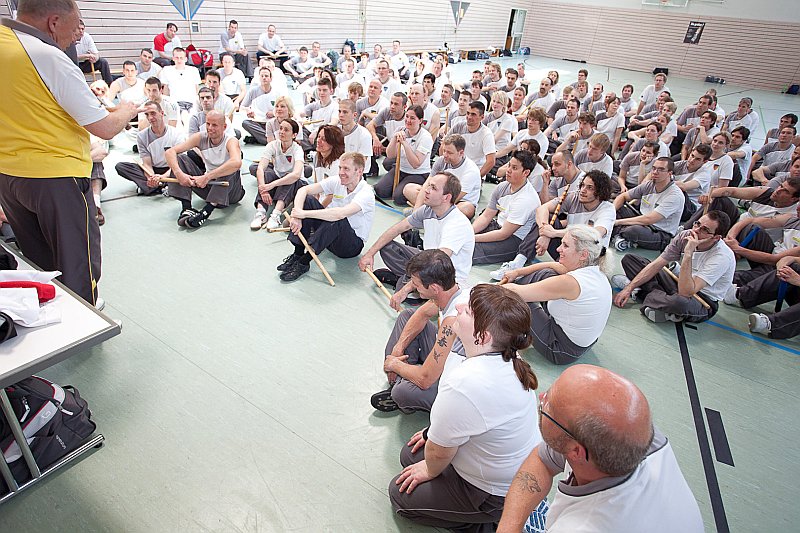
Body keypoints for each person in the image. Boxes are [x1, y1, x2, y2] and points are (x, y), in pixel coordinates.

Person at [0, 0, 139, 306]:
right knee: (78, 262)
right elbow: (105, 127)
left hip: (9, 176)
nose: (78, 36)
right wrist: (127, 111)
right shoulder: (47, 56)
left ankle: (52, 308)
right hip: (56, 177)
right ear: (53, 22)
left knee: (39, 258)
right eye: (76, 27)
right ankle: (86, 315)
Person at [389, 283, 540, 531]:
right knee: (410, 455)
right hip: (510, 468)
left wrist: (430, 469)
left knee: (400, 495)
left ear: (483, 336)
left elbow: (439, 454)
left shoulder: (465, 383)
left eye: (468, 310)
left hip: (494, 493)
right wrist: (432, 438)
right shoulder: (508, 356)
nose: (458, 307)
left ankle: (482, 523)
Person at [497, 365, 703, 533]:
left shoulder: (583, 527)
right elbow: (542, 460)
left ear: (576, 452)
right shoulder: (635, 436)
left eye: (548, 405)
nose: (542, 397)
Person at [370, 250, 468, 413]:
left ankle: (402, 386)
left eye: (417, 284)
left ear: (434, 288)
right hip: (446, 358)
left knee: (402, 392)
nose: (414, 288)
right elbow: (421, 314)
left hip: (457, 382)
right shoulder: (455, 290)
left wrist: (395, 364)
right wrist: (398, 348)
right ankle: (406, 377)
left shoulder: (453, 320)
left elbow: (425, 379)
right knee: (408, 315)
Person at [502, 224, 612, 364]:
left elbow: (516, 293)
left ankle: (496, 319)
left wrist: (486, 288)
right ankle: (509, 293)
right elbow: (552, 265)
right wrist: (517, 272)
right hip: (581, 344)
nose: (558, 249)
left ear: (583, 254)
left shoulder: (571, 282)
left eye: (565, 246)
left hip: (559, 349)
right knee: (547, 274)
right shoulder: (594, 271)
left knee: (516, 300)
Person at [360, 172, 475, 302]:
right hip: (428, 259)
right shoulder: (428, 210)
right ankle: (413, 283)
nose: (426, 190)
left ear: (446, 197)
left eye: (433, 188)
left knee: (404, 292)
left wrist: (404, 290)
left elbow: (437, 265)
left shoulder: (456, 224)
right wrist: (369, 254)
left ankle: (411, 284)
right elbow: (397, 228)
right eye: (429, 185)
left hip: (445, 277)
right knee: (387, 246)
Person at [613, 211, 735, 323]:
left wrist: (688, 253)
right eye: (697, 224)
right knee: (630, 260)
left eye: (704, 230)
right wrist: (629, 288)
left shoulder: (722, 257)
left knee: (679, 302)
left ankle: (643, 293)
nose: (696, 230)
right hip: (678, 282)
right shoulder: (685, 235)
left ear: (716, 237)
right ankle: (648, 296)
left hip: (701, 299)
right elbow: (657, 264)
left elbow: (686, 292)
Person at [492, 170, 615, 280]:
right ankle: (517, 263)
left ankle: (526, 275)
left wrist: (554, 233)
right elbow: (542, 209)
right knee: (548, 219)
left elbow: (595, 234)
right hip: (567, 249)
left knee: (548, 275)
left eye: (590, 188)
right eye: (582, 185)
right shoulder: (574, 197)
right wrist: (545, 232)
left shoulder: (607, 209)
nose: (583, 190)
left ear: (600, 191)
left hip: (586, 259)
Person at [277, 152, 374, 282]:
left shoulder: (366, 193)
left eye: (346, 169)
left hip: (350, 246)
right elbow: (303, 190)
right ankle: (298, 254)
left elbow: (340, 214)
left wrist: (304, 214)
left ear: (359, 171)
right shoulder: (338, 181)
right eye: (340, 167)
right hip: (330, 236)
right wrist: (297, 215)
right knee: (308, 200)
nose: (341, 172)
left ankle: (303, 262)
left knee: (336, 218)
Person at [164, 111, 245, 228]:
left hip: (230, 193)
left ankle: (206, 212)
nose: (210, 128)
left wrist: (206, 177)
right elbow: (170, 152)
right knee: (181, 159)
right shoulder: (200, 137)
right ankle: (186, 208)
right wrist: (179, 174)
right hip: (209, 188)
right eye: (208, 124)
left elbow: (237, 162)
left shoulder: (231, 141)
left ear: (224, 127)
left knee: (230, 168)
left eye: (214, 125)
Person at [472, 151, 540, 265]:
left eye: (514, 168)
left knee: (469, 250)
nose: (508, 170)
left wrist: (473, 238)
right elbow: (486, 216)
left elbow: (504, 234)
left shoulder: (526, 199)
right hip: (497, 226)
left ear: (526, 172)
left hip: (513, 239)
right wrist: (469, 232)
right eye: (509, 165)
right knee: (458, 236)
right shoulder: (502, 187)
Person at [612, 157, 685, 252]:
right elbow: (623, 196)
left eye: (661, 169)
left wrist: (617, 222)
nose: (655, 172)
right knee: (615, 208)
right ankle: (621, 236)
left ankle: (617, 233)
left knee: (633, 231)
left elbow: (649, 219)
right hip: (641, 218)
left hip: (659, 232)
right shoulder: (649, 185)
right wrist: (610, 213)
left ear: (670, 173)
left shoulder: (675, 195)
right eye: (654, 168)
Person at [115, 100, 186, 196]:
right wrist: (152, 177)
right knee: (121, 166)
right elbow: (147, 164)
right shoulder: (141, 136)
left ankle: (151, 186)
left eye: (153, 113)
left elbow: (178, 163)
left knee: (185, 166)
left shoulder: (176, 134)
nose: (150, 118)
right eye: (147, 115)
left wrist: (162, 177)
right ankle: (159, 185)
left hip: (172, 169)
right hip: (153, 169)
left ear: (162, 114)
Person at [248, 119, 305, 230]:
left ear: (294, 135)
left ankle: (276, 215)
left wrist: (271, 185)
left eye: (286, 130)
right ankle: (261, 212)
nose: (281, 132)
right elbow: (260, 168)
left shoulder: (297, 149)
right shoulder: (273, 145)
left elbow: (296, 174)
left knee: (290, 178)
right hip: (278, 179)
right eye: (281, 128)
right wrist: (263, 189)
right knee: (266, 174)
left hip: (295, 183)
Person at [408, 134, 481, 219]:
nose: (445, 155)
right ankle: (427, 213)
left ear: (461, 153)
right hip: (439, 195)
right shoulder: (441, 161)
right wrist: (415, 214)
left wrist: (431, 202)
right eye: (444, 151)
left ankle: (427, 212)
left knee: (467, 208)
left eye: (449, 152)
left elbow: (455, 198)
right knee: (409, 189)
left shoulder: (471, 170)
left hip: (458, 201)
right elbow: (427, 184)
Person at [374, 105, 434, 205]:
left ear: (420, 120)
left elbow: (416, 164)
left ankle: (418, 190)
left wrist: (405, 144)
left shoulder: (425, 137)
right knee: (380, 190)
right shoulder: (400, 129)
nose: (408, 120)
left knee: (398, 197)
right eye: (407, 116)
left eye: (412, 118)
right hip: (400, 169)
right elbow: (390, 155)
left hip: (418, 173)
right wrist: (394, 139)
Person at [447, 102, 496, 178]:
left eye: (473, 114)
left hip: (474, 172)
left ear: (482, 117)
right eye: (468, 113)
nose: (469, 117)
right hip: (455, 170)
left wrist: (476, 178)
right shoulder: (458, 126)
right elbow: (444, 145)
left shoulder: (486, 134)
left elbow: (491, 161)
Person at [240, 66, 278, 145]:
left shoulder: (277, 92)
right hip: (258, 122)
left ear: (271, 78)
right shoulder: (253, 91)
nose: (264, 78)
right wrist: (248, 110)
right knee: (245, 123)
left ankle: (259, 138)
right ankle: (270, 139)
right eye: (262, 76)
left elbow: (285, 109)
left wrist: (274, 113)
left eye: (266, 76)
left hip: (272, 122)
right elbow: (242, 107)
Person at [158, 47, 201, 113]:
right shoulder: (167, 70)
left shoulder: (193, 70)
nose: (179, 60)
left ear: (185, 59)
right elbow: (166, 89)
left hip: (191, 103)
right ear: (173, 58)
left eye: (181, 58)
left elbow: (196, 88)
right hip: (175, 103)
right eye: (177, 58)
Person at [338, 99, 373, 174]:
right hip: (338, 170)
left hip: (357, 174)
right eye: (339, 111)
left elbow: (361, 162)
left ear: (354, 115)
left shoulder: (364, 135)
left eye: (345, 112)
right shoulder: (335, 131)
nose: (341, 115)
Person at [74, 19, 112, 84]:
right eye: (79, 29)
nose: (81, 31)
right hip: (74, 65)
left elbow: (96, 54)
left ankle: (109, 85)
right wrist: (86, 56)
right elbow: (71, 57)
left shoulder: (87, 37)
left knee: (103, 62)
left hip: (86, 64)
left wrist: (94, 58)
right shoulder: (70, 37)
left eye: (82, 29)